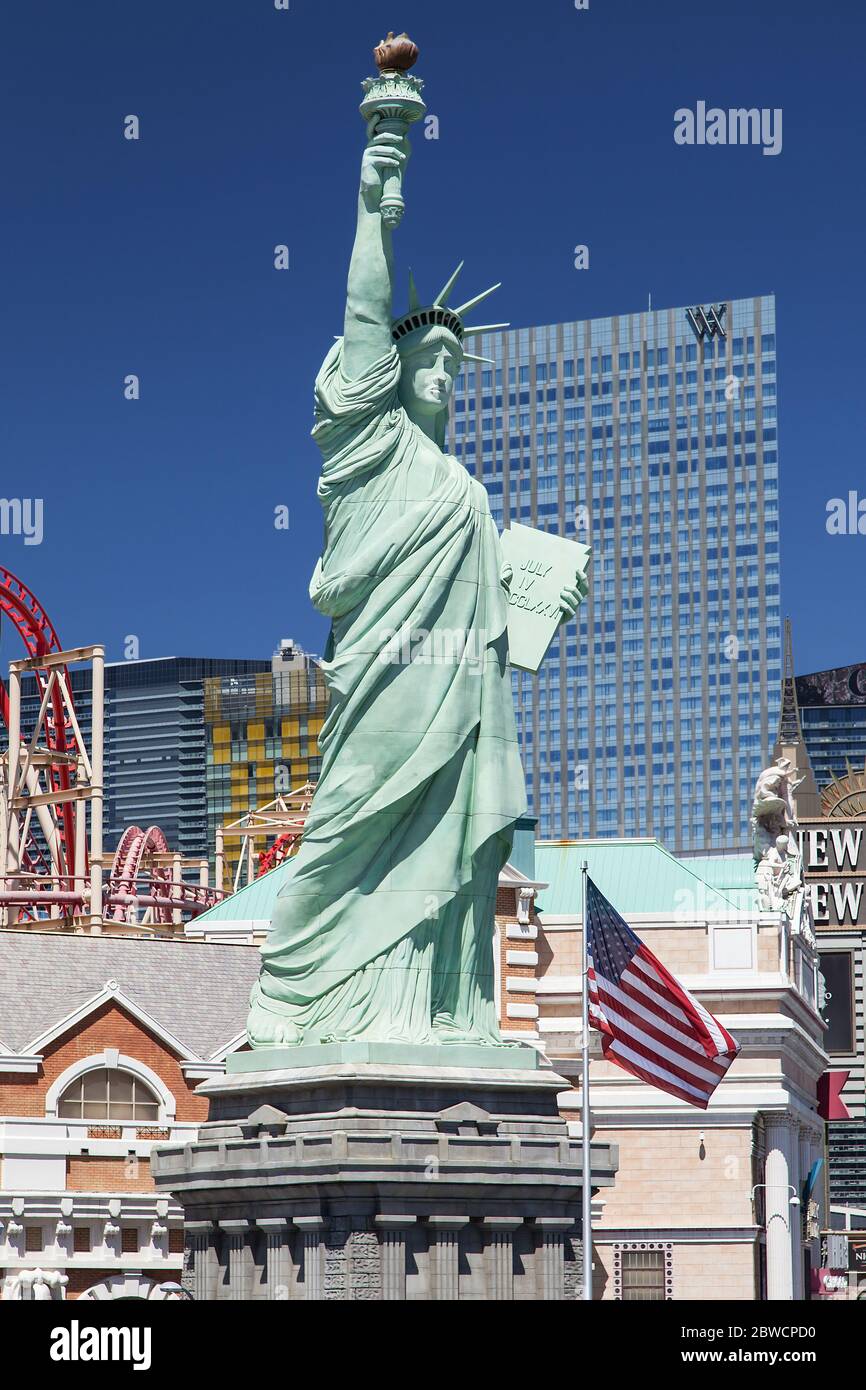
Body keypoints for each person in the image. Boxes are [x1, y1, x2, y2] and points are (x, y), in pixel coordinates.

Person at [246, 129, 587, 1047]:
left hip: (465, 696)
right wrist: (377, 195)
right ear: (387, 378)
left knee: (452, 855)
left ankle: (439, 1011)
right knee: (349, 827)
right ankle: (301, 995)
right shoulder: (369, 449)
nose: (439, 369)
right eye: (421, 355)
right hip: (386, 690)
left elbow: (491, 613)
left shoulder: (468, 489)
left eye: (450, 360)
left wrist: (535, 604)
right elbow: (366, 312)